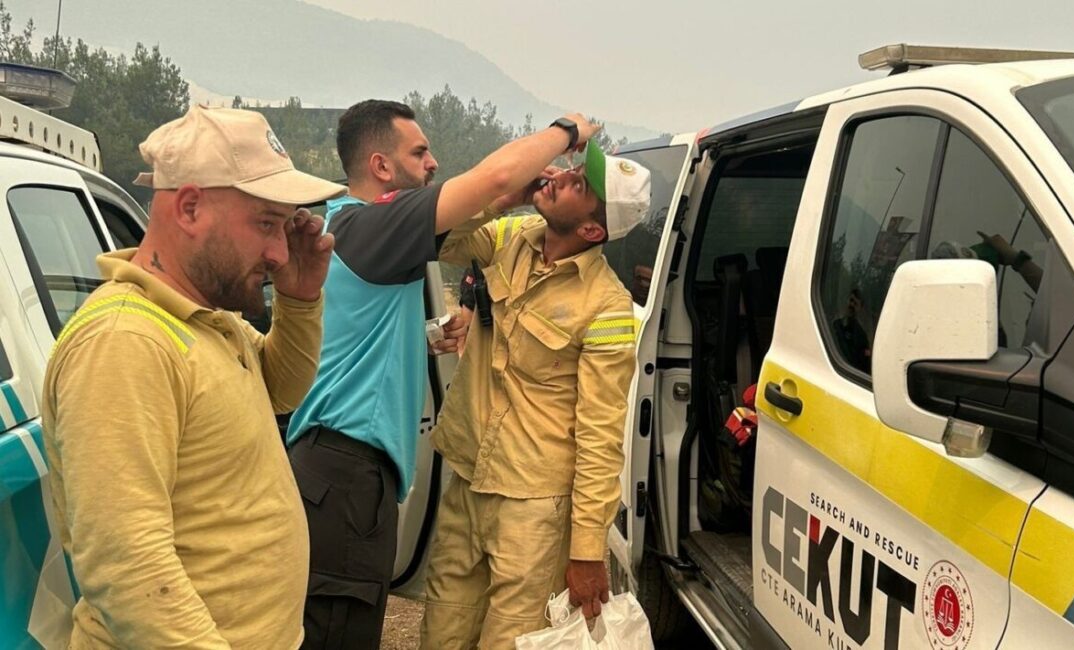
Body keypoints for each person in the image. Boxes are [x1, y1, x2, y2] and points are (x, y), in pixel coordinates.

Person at [284, 100, 603, 649]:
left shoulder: (348, 226)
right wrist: (568, 130)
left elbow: (354, 331)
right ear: (382, 166)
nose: (433, 163)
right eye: (420, 152)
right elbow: (493, 179)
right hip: (346, 476)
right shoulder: (373, 225)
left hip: (332, 468)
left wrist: (422, 339)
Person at [40, 106, 345, 648]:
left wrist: (299, 300)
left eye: (284, 226)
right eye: (266, 223)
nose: (280, 253)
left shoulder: (204, 317)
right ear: (189, 207)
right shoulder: (126, 341)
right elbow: (126, 565)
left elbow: (282, 390)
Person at [420, 143, 652, 647]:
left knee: (509, 641)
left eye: (579, 184)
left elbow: (600, 434)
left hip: (535, 508)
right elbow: (438, 236)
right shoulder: (513, 236)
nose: (562, 176)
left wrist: (586, 549)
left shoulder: (607, 306)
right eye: (573, 168)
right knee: (441, 633)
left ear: (592, 231)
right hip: (470, 480)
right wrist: (502, 198)